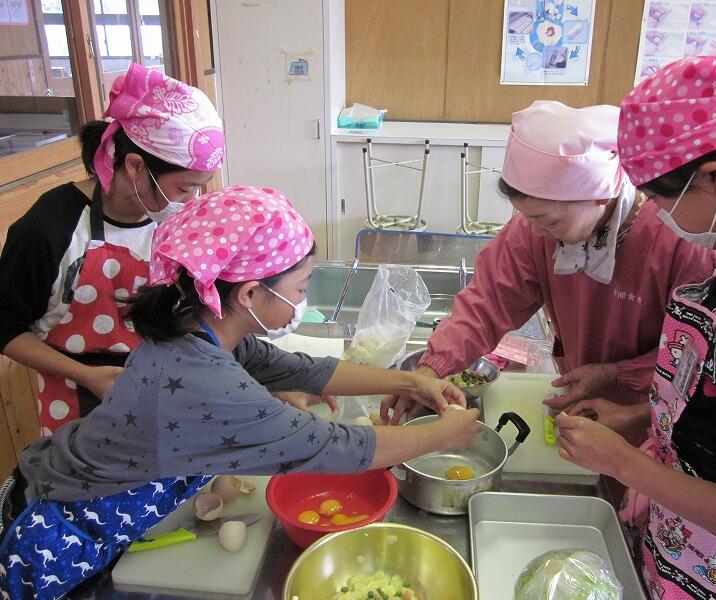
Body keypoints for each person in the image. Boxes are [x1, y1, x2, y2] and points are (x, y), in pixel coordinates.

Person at [0, 186, 481, 600]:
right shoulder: (208, 384)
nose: (303, 301)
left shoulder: (200, 328)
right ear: (250, 294)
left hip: (86, 504)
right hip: (50, 537)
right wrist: (445, 434)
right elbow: (340, 447)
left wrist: (410, 380)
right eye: (301, 288)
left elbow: (304, 370)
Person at [555, 52, 716, 599]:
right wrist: (636, 415)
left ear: (715, 177)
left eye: (660, 200)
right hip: (683, 538)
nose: (661, 217)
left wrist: (622, 462)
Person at [384, 101, 716, 446]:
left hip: (661, 413)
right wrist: (430, 369)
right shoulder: (533, 231)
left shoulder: (681, 238)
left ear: (601, 197)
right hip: (584, 407)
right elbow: (486, 303)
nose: (537, 232)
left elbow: (699, 352)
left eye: (550, 221)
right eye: (527, 217)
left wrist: (617, 374)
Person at [0, 63, 225, 435]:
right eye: (185, 188)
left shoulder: (175, 222)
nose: (192, 200)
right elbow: (5, 329)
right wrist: (85, 375)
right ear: (136, 166)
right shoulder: (49, 228)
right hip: (76, 398)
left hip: (167, 389)